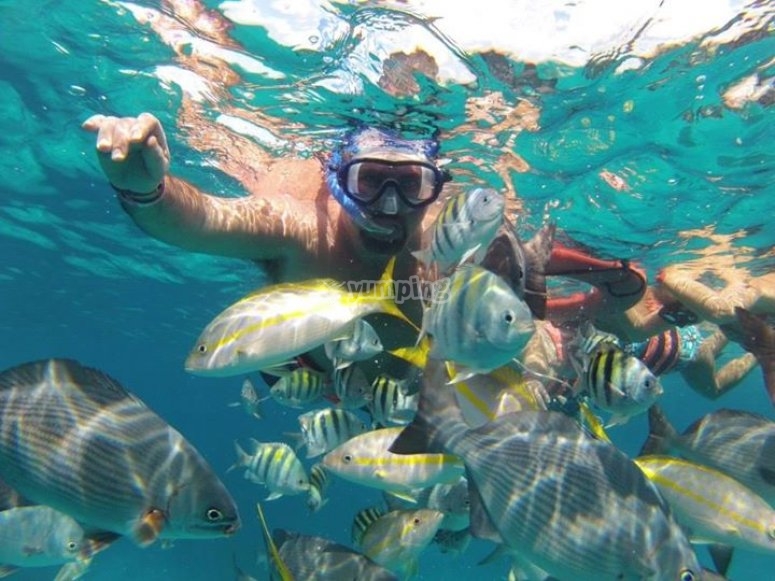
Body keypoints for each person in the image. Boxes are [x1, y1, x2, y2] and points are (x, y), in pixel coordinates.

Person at [82, 113, 643, 375]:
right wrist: (147, 190)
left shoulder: (443, 239)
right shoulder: (300, 228)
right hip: (337, 387)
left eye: (413, 185)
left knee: (555, 343)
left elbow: (506, 246)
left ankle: (586, 311)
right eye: (370, 182)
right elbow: (202, 220)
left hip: (432, 373)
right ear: (333, 179)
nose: (391, 207)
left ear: (435, 189)